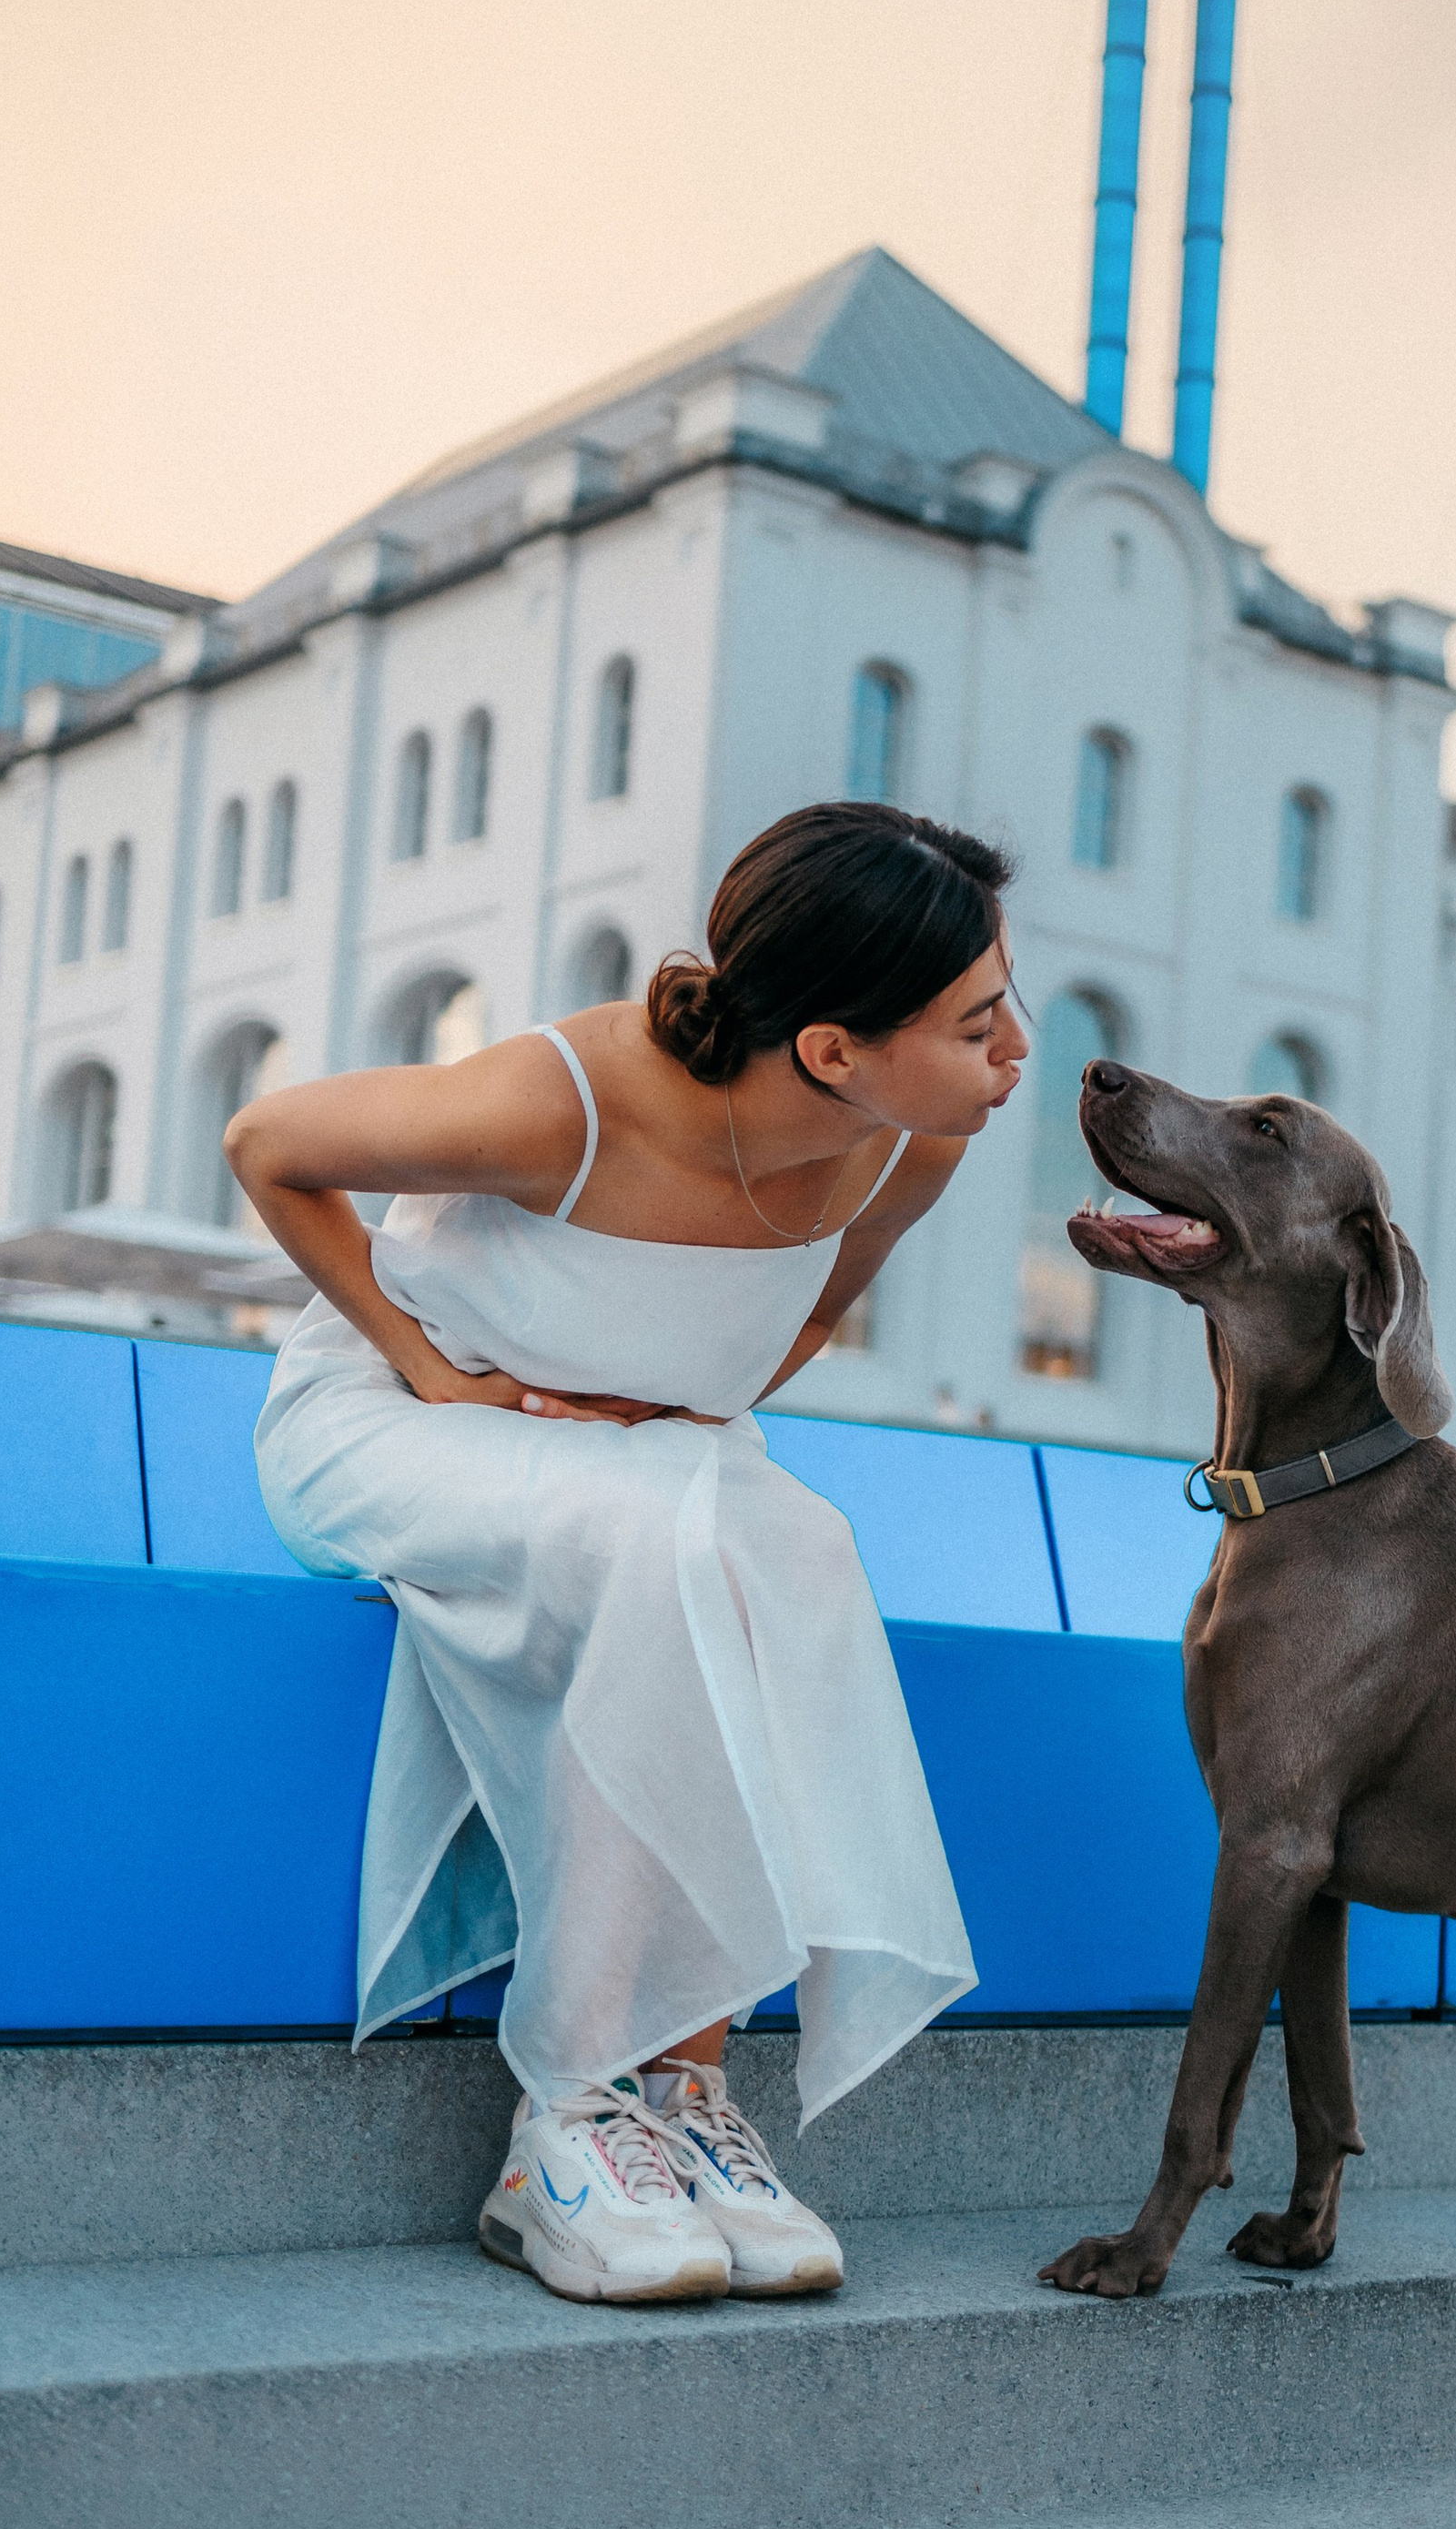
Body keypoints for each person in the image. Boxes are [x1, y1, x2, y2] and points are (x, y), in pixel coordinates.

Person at [234, 804, 1024, 2307]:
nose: (1016, 1051)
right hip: (395, 1420)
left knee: (798, 1546)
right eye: (978, 1023)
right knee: (657, 1542)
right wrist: (431, 1366)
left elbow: (801, 1316)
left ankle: (680, 2087)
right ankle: (568, 2112)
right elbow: (268, 1145)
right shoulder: (564, 1101)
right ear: (835, 1050)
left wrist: (672, 1412)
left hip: (632, 1445)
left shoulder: (910, 1150)